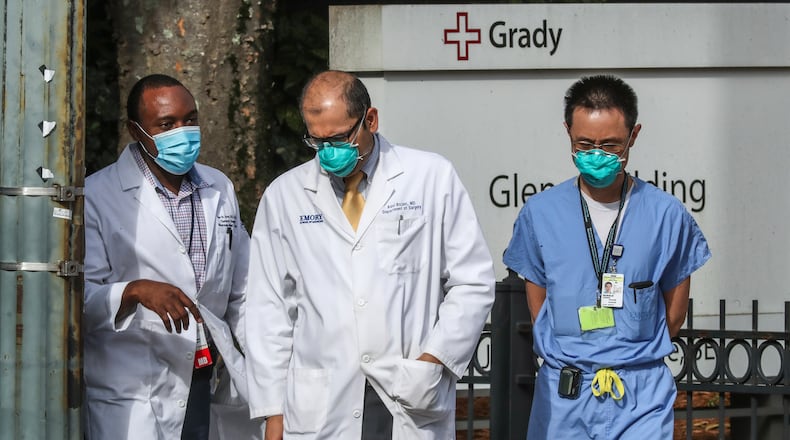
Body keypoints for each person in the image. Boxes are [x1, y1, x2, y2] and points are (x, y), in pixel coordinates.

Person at [245, 70, 495, 439]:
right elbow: (268, 308)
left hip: (406, 390)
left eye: (340, 137)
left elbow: (472, 281)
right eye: (318, 141)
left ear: (370, 120)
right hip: (322, 400)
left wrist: (434, 358)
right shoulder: (285, 195)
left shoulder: (430, 177)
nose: (329, 151)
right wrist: (272, 411)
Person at [503, 74, 711, 439]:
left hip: (641, 394)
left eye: (611, 145)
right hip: (565, 395)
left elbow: (674, 314)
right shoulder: (540, 214)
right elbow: (538, 307)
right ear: (567, 131)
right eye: (584, 143)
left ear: (634, 135)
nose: (596, 155)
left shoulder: (666, 216)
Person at [84, 74, 260, 439]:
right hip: (132, 388)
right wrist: (133, 291)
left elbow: (244, 291)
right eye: (166, 124)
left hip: (202, 374)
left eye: (190, 119)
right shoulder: (98, 195)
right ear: (136, 130)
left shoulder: (218, 187)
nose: (183, 131)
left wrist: (267, 365)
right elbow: (79, 299)